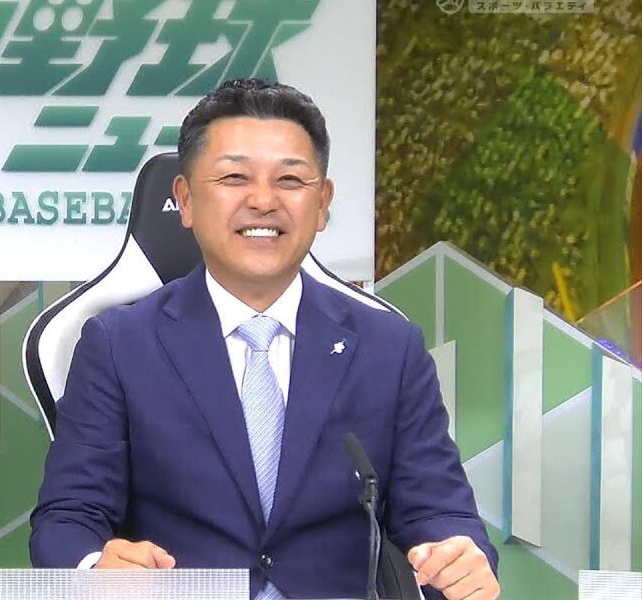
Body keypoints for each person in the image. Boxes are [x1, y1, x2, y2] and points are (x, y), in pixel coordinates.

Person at [28, 79, 499, 600]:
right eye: (234, 177)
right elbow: (67, 518)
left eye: (290, 180)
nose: (262, 200)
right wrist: (96, 568)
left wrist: (459, 558)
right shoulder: (120, 345)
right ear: (185, 200)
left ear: (322, 204)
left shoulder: (389, 348)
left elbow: (441, 512)